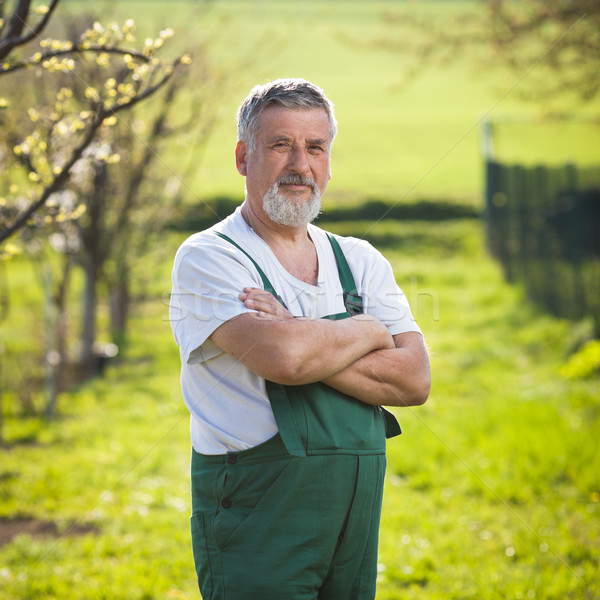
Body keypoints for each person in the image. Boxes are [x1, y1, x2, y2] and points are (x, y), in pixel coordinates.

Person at [170, 78, 430, 600]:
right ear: (244, 157)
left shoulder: (359, 260)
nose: (300, 164)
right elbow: (285, 360)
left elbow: (414, 380)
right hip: (257, 515)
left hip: (354, 515)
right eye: (281, 144)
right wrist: (370, 331)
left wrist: (295, 327)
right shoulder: (211, 257)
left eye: (315, 147)